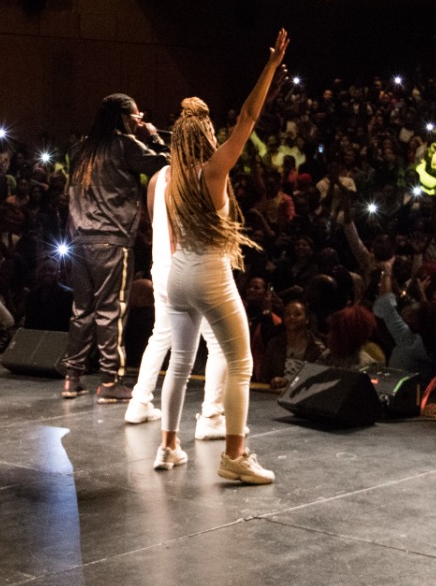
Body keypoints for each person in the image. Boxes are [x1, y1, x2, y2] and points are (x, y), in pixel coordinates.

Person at [156, 28, 289, 484]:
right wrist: (269, 66)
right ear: (205, 135)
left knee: (179, 361)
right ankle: (235, 456)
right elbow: (249, 117)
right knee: (241, 364)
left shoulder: (170, 180)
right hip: (210, 272)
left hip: (178, 274)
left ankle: (169, 446)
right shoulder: (213, 171)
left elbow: (172, 235)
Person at [56, 93, 169, 402]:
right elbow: (166, 163)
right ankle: (109, 381)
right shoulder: (125, 145)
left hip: (79, 239)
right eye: (136, 117)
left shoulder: (80, 149)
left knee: (82, 310)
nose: (140, 122)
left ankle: (72, 377)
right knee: (111, 309)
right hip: (111, 239)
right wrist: (154, 135)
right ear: (123, 118)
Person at [128, 161, 228, 437]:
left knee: (161, 334)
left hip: (162, 268)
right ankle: (211, 416)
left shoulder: (157, 178)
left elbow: (153, 219)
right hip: (191, 267)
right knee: (218, 343)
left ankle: (139, 402)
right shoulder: (204, 174)